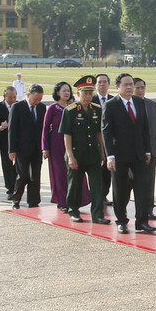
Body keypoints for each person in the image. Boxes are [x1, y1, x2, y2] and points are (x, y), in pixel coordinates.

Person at [102, 73, 155, 234]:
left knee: (142, 188)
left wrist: (147, 150)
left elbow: (145, 128)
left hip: (139, 155)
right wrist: (110, 156)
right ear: (117, 87)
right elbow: (106, 132)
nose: (130, 87)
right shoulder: (111, 105)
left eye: (131, 84)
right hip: (119, 156)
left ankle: (142, 221)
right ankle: (121, 221)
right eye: (126, 84)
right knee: (120, 190)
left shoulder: (139, 102)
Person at [60, 76, 108, 224]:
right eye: (85, 93)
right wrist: (70, 156)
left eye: (90, 93)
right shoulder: (70, 111)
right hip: (77, 154)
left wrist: (102, 152)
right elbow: (67, 135)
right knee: (74, 185)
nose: (88, 96)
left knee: (97, 186)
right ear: (78, 92)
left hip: (93, 154)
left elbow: (99, 132)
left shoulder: (97, 110)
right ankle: (73, 210)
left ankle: (98, 214)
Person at [42, 81, 80, 212]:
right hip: (56, 143)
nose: (66, 93)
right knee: (60, 173)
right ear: (58, 92)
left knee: (72, 173)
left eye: (68, 91)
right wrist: (45, 148)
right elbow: (46, 128)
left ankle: (74, 200)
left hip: (72, 144)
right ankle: (62, 201)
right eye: (64, 90)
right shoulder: (53, 108)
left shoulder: (74, 107)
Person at [133, 77, 156, 223]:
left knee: (150, 180)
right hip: (135, 151)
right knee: (137, 182)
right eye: (137, 88)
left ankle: (149, 209)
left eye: (142, 88)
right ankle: (139, 210)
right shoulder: (129, 105)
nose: (140, 91)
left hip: (152, 148)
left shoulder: (151, 104)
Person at [9, 84, 46, 209]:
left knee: (35, 176)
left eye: (40, 99)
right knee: (23, 175)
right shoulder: (17, 107)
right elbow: (12, 130)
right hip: (22, 149)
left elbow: (43, 129)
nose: (38, 101)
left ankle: (33, 201)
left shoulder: (41, 108)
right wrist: (12, 150)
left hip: (37, 148)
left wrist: (44, 147)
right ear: (28, 95)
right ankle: (16, 200)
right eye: (35, 99)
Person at [0, 87, 19, 200]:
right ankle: (10, 189)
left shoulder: (19, 106)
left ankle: (17, 187)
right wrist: (0, 128)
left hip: (19, 141)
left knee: (18, 166)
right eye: (10, 97)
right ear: (4, 96)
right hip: (5, 142)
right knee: (7, 166)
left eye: (14, 97)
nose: (13, 99)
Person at [94, 73, 113, 207]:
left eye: (104, 82)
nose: (102, 84)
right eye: (99, 82)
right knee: (97, 171)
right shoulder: (91, 99)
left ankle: (104, 195)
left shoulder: (114, 100)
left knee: (108, 172)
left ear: (108, 84)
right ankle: (96, 195)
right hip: (94, 141)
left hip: (110, 142)